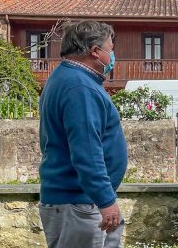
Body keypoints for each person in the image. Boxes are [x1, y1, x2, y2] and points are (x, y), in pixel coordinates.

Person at [38, 21, 127, 248]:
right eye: (110, 48)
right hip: (79, 202)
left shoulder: (65, 77)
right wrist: (106, 201)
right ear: (95, 51)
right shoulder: (80, 87)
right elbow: (87, 151)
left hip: (75, 200)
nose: (113, 54)